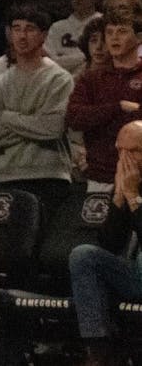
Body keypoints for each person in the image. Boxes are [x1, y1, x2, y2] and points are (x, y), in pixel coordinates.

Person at [0, 5, 75, 214]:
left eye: (30, 29)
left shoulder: (59, 79)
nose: (22, 36)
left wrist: (7, 117)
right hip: (6, 176)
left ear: (43, 35)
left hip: (50, 176)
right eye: (17, 29)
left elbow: (52, 129)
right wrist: (34, 124)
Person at [67, 120, 142, 366]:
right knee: (84, 254)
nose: (124, 159)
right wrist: (119, 201)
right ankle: (98, 348)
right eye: (120, 151)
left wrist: (133, 199)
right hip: (137, 277)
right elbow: (109, 245)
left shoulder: (134, 189)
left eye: (132, 151)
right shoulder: (129, 183)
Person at [67, 11, 142, 191]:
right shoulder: (90, 79)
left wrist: (99, 115)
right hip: (101, 178)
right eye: (109, 32)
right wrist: (118, 108)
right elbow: (74, 117)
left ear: (139, 38)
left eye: (122, 31)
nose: (114, 38)